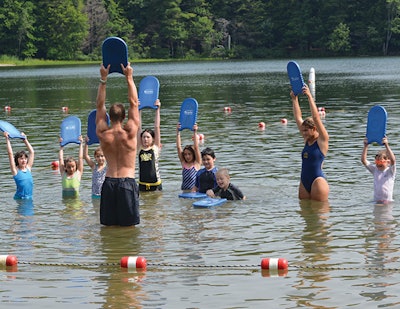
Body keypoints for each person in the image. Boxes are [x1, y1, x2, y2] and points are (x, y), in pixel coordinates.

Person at [96, 62, 140, 226]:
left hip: (109, 184)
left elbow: (99, 105)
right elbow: (134, 103)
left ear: (109, 117)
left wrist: (103, 79)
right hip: (126, 183)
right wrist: (129, 77)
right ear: (124, 118)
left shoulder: (102, 133)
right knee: (128, 229)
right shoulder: (130, 133)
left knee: (109, 228)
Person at [291, 84, 329, 202]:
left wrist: (309, 97)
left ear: (314, 129)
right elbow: (298, 117)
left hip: (317, 181)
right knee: (305, 216)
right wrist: (294, 99)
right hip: (304, 181)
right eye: (303, 130)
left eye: (306, 130)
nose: (304, 133)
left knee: (319, 215)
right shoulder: (306, 140)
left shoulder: (323, 139)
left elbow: (316, 118)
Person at [361, 136, 396, 203]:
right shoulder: (375, 170)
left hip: (387, 202)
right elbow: (363, 161)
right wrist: (365, 146)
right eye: (376, 162)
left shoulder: (390, 171)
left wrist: (386, 145)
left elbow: (393, 160)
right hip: (376, 201)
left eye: (381, 162)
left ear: (388, 162)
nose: (378, 164)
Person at [137, 99, 162, 191]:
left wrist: (157, 110)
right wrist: (138, 110)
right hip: (142, 184)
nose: (145, 139)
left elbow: (157, 127)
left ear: (153, 139)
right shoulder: (139, 148)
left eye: (148, 137)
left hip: (155, 184)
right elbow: (138, 127)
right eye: (143, 137)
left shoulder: (155, 148)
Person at [4, 132, 35, 199]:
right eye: (21, 158)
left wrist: (25, 140)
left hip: (29, 198)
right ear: (17, 160)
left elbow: (32, 152)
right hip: (21, 199)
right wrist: (7, 139)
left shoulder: (28, 168)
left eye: (25, 158)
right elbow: (10, 154)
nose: (24, 160)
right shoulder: (15, 171)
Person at [176, 123, 201, 191]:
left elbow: (196, 147)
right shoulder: (184, 163)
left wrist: (195, 132)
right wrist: (178, 132)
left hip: (194, 192)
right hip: (184, 191)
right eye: (185, 154)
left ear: (193, 154)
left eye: (189, 154)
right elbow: (178, 147)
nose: (187, 156)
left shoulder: (197, 163)